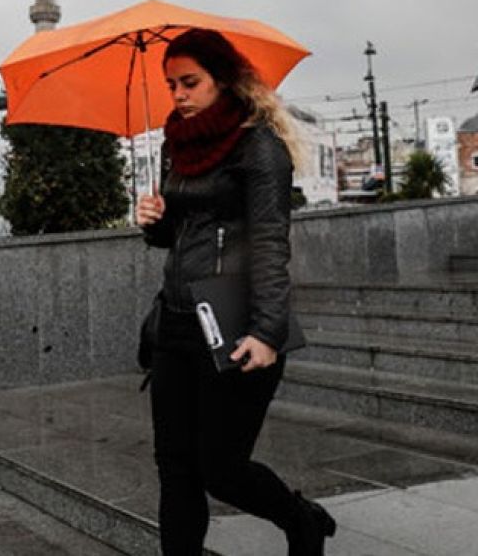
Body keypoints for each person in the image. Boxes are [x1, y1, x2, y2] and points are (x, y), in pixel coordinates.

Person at [136, 28, 335, 555]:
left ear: (222, 81)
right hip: (176, 322)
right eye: (171, 83)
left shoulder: (259, 146)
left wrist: (267, 331)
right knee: (175, 467)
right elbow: (180, 235)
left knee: (221, 469)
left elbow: (270, 241)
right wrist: (155, 221)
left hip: (233, 322)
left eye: (190, 82)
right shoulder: (174, 142)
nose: (177, 94)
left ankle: (300, 519)